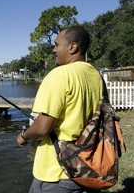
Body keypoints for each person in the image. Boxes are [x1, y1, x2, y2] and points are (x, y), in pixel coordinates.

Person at [17, 25, 102, 193]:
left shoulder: (59, 75)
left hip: (56, 175)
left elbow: (42, 128)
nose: (53, 49)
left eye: (57, 44)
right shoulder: (96, 75)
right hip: (87, 166)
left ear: (73, 47)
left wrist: (23, 136)